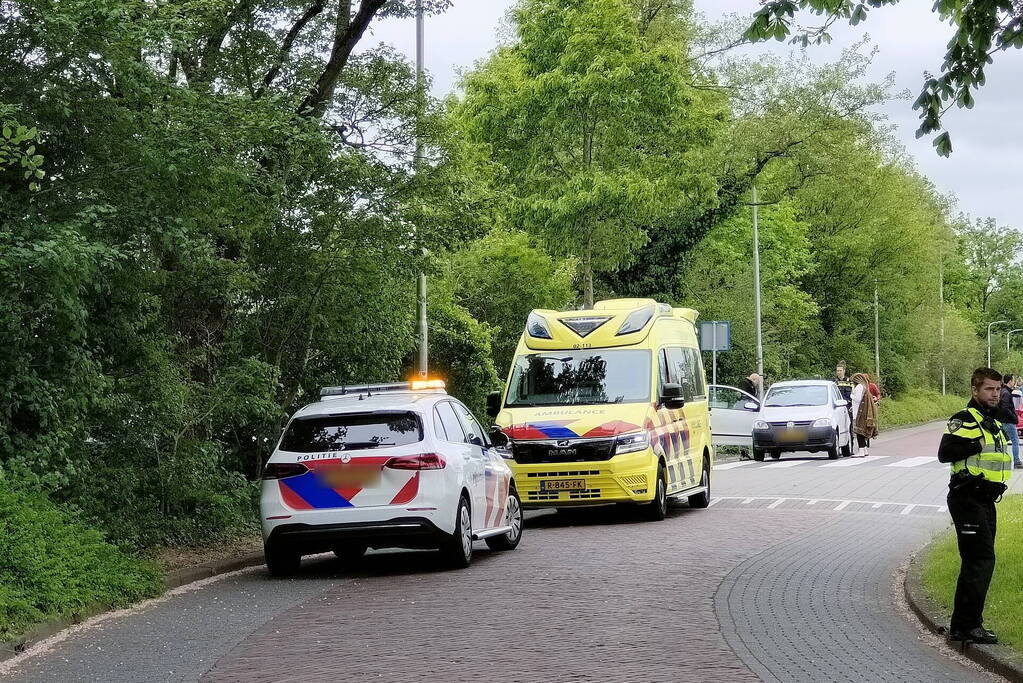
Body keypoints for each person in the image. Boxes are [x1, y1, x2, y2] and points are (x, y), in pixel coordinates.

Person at [937, 367, 1013, 645]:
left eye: (997, 389)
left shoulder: (990, 420)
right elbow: (945, 453)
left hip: (984, 500)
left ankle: (964, 624)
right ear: (975, 391)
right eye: (989, 389)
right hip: (967, 498)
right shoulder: (965, 419)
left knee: (979, 561)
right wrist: (977, 442)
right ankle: (968, 626)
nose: (995, 394)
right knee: (980, 560)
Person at [996, 373, 1022, 469]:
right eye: (1013, 380)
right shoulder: (1006, 393)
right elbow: (1005, 408)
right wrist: (1013, 418)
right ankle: (1017, 462)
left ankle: (1000, 461)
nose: (1014, 382)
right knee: (1015, 441)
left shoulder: (1002, 391)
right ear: (1010, 381)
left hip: (1002, 421)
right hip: (1008, 422)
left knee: (1002, 442)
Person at [850, 373, 878, 456]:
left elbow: (858, 399)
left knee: (859, 431)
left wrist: (851, 395)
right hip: (862, 411)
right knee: (861, 431)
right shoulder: (864, 386)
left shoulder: (859, 387)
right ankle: (864, 450)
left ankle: (861, 450)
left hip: (859, 412)